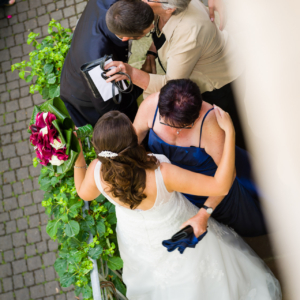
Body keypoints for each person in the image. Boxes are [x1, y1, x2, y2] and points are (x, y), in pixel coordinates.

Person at [74, 110, 281, 300]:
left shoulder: (96, 171)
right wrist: (229, 132)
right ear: (131, 141)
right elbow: (221, 185)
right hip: (179, 232)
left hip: (136, 242)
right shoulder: (160, 174)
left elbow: (83, 192)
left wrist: (78, 154)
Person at [133, 79, 267, 237]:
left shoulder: (211, 125)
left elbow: (228, 175)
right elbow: (132, 140)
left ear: (195, 117)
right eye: (165, 122)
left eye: (181, 127)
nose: (172, 131)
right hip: (170, 189)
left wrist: (205, 212)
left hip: (210, 191)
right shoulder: (150, 106)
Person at [105, 0, 246, 148]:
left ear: (170, 8)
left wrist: (132, 73)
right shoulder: (162, 8)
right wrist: (152, 52)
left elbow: (172, 85)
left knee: (231, 137)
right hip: (201, 63)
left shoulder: (188, 32)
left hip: (219, 83)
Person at [60, 0, 154, 127]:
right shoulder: (98, 66)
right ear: (126, 38)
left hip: (80, 51)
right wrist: (142, 79)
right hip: (84, 98)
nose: (153, 26)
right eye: (148, 31)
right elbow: (114, 109)